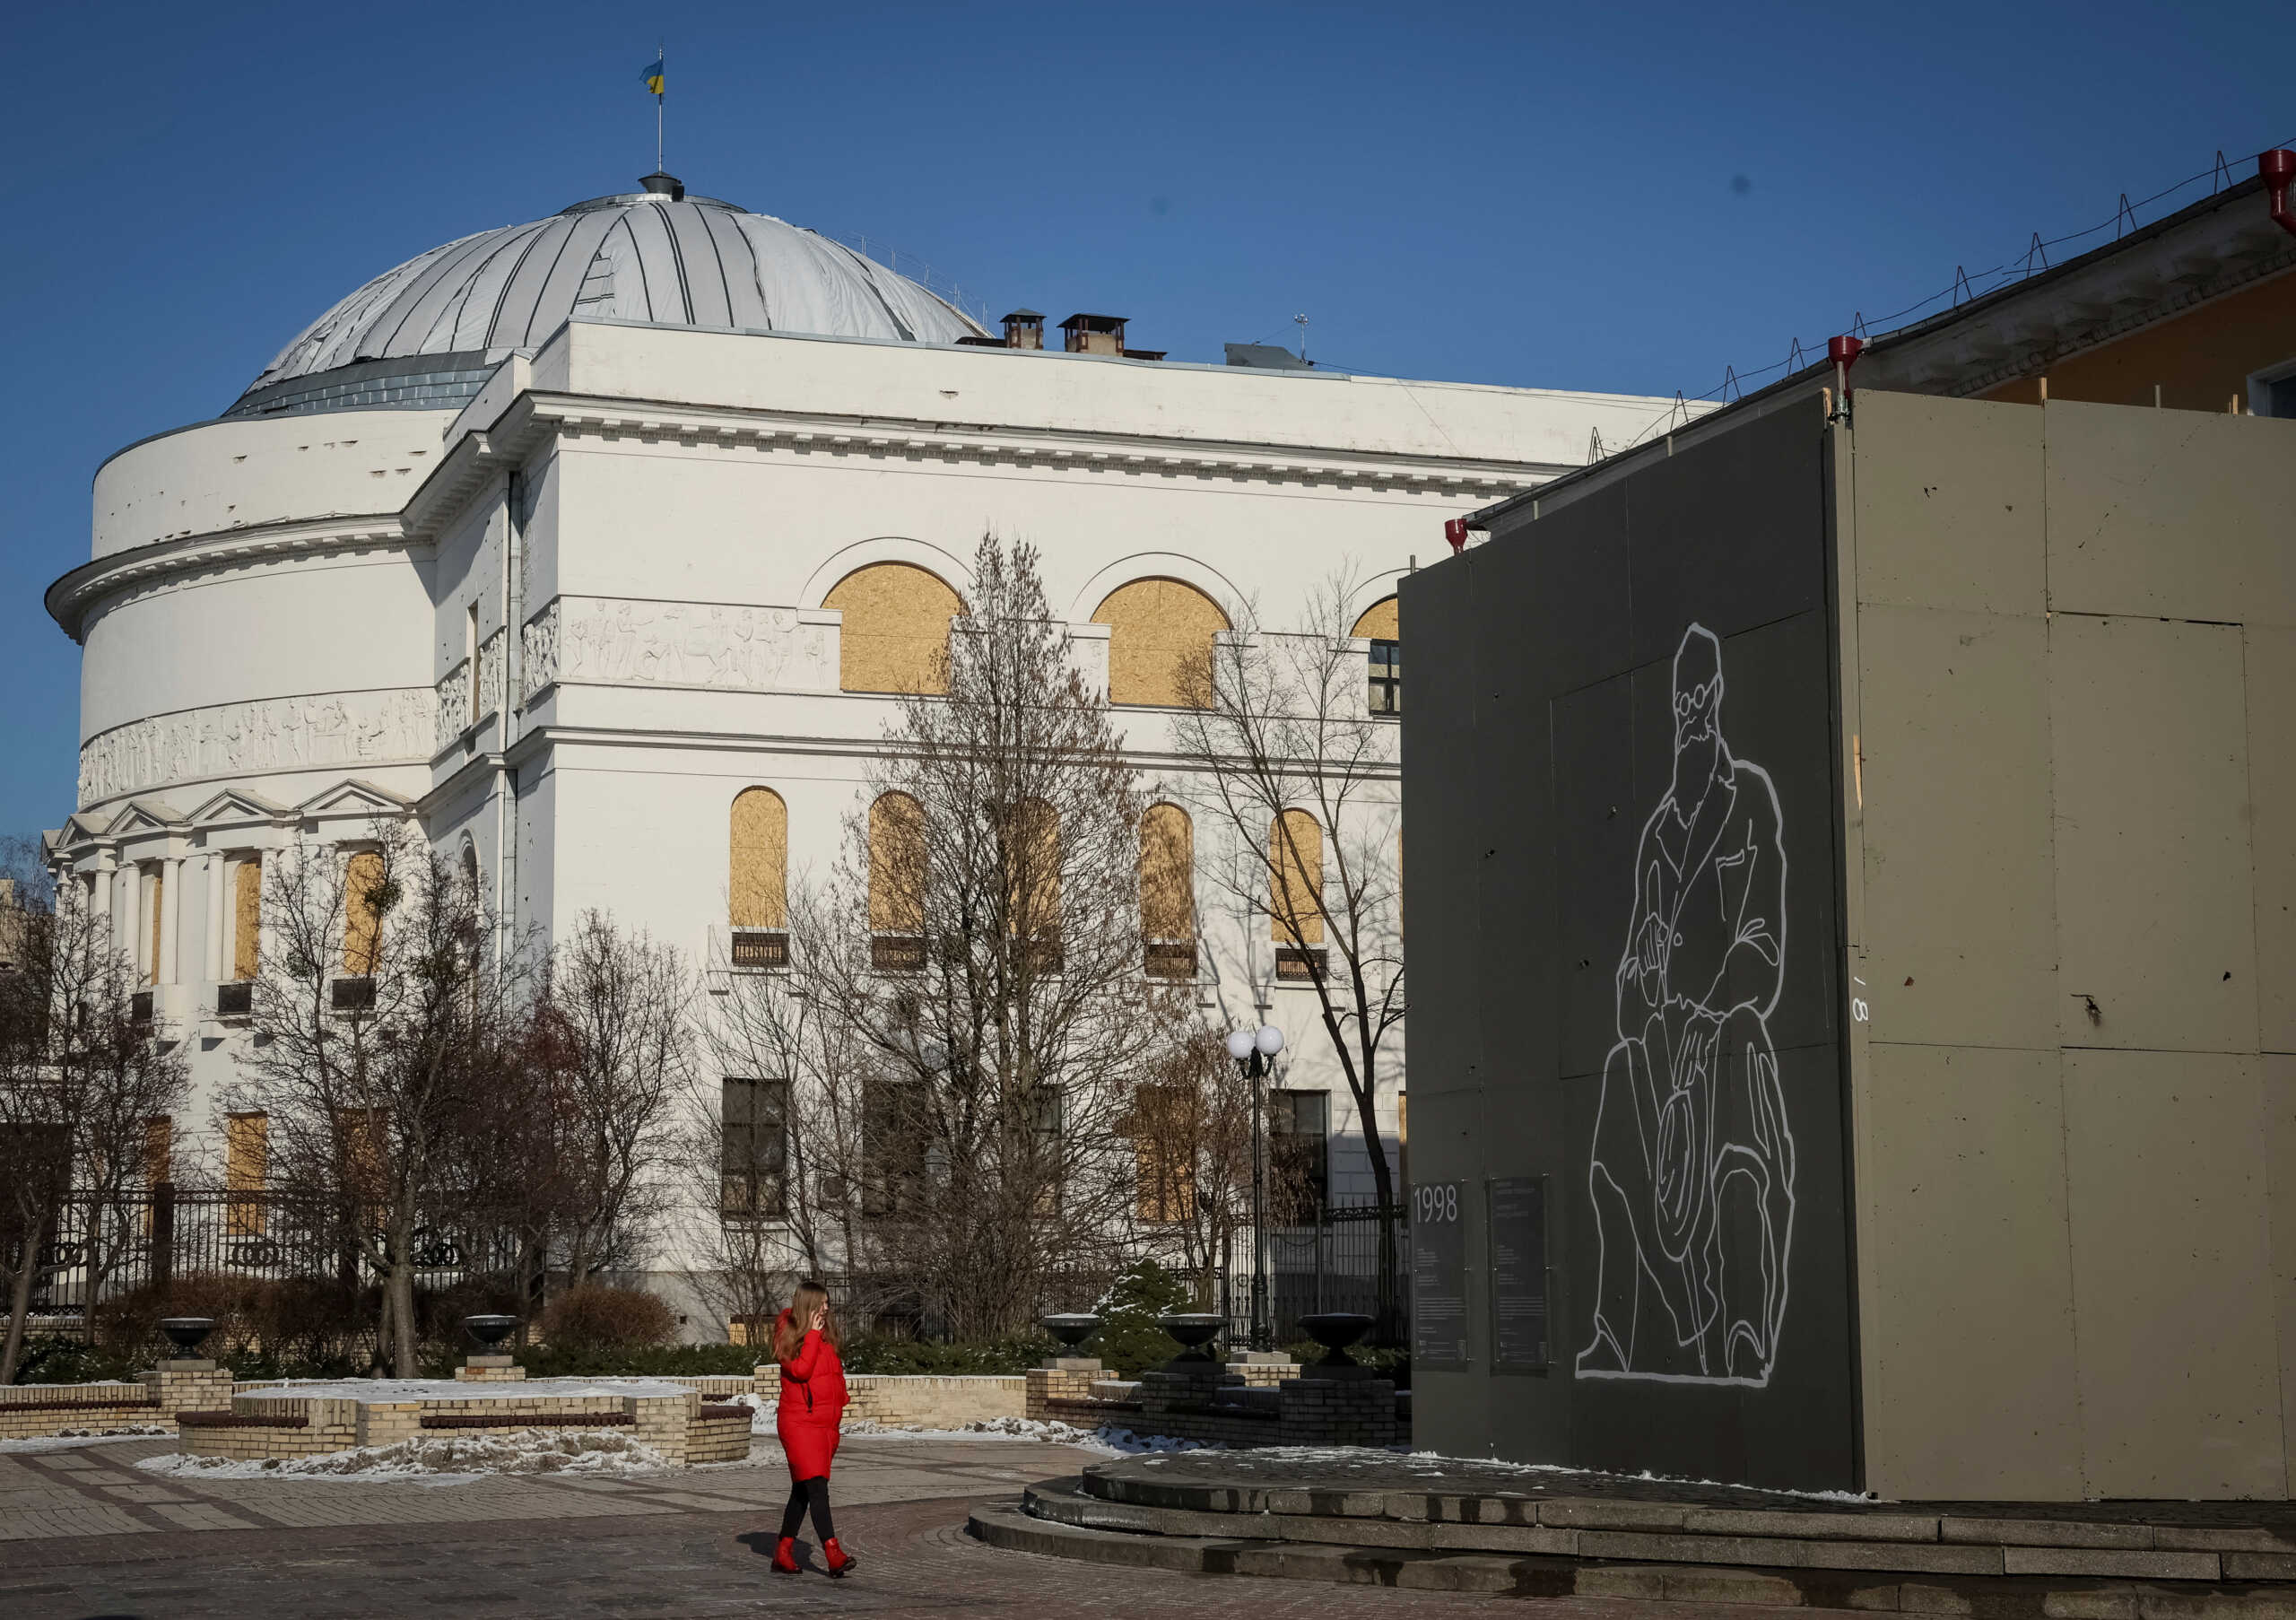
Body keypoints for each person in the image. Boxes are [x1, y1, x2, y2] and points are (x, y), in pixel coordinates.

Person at [770, 1279, 855, 1577]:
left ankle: (783, 1550)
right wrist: (813, 1337)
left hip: (824, 1425)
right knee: (817, 1486)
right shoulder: (788, 1334)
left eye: (828, 1304)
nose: (827, 1308)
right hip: (799, 1423)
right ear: (809, 1304)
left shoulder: (826, 1336)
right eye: (822, 1304)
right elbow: (801, 1370)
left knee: (803, 1491)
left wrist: (841, 1398)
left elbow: (832, 1375)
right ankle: (833, 1552)